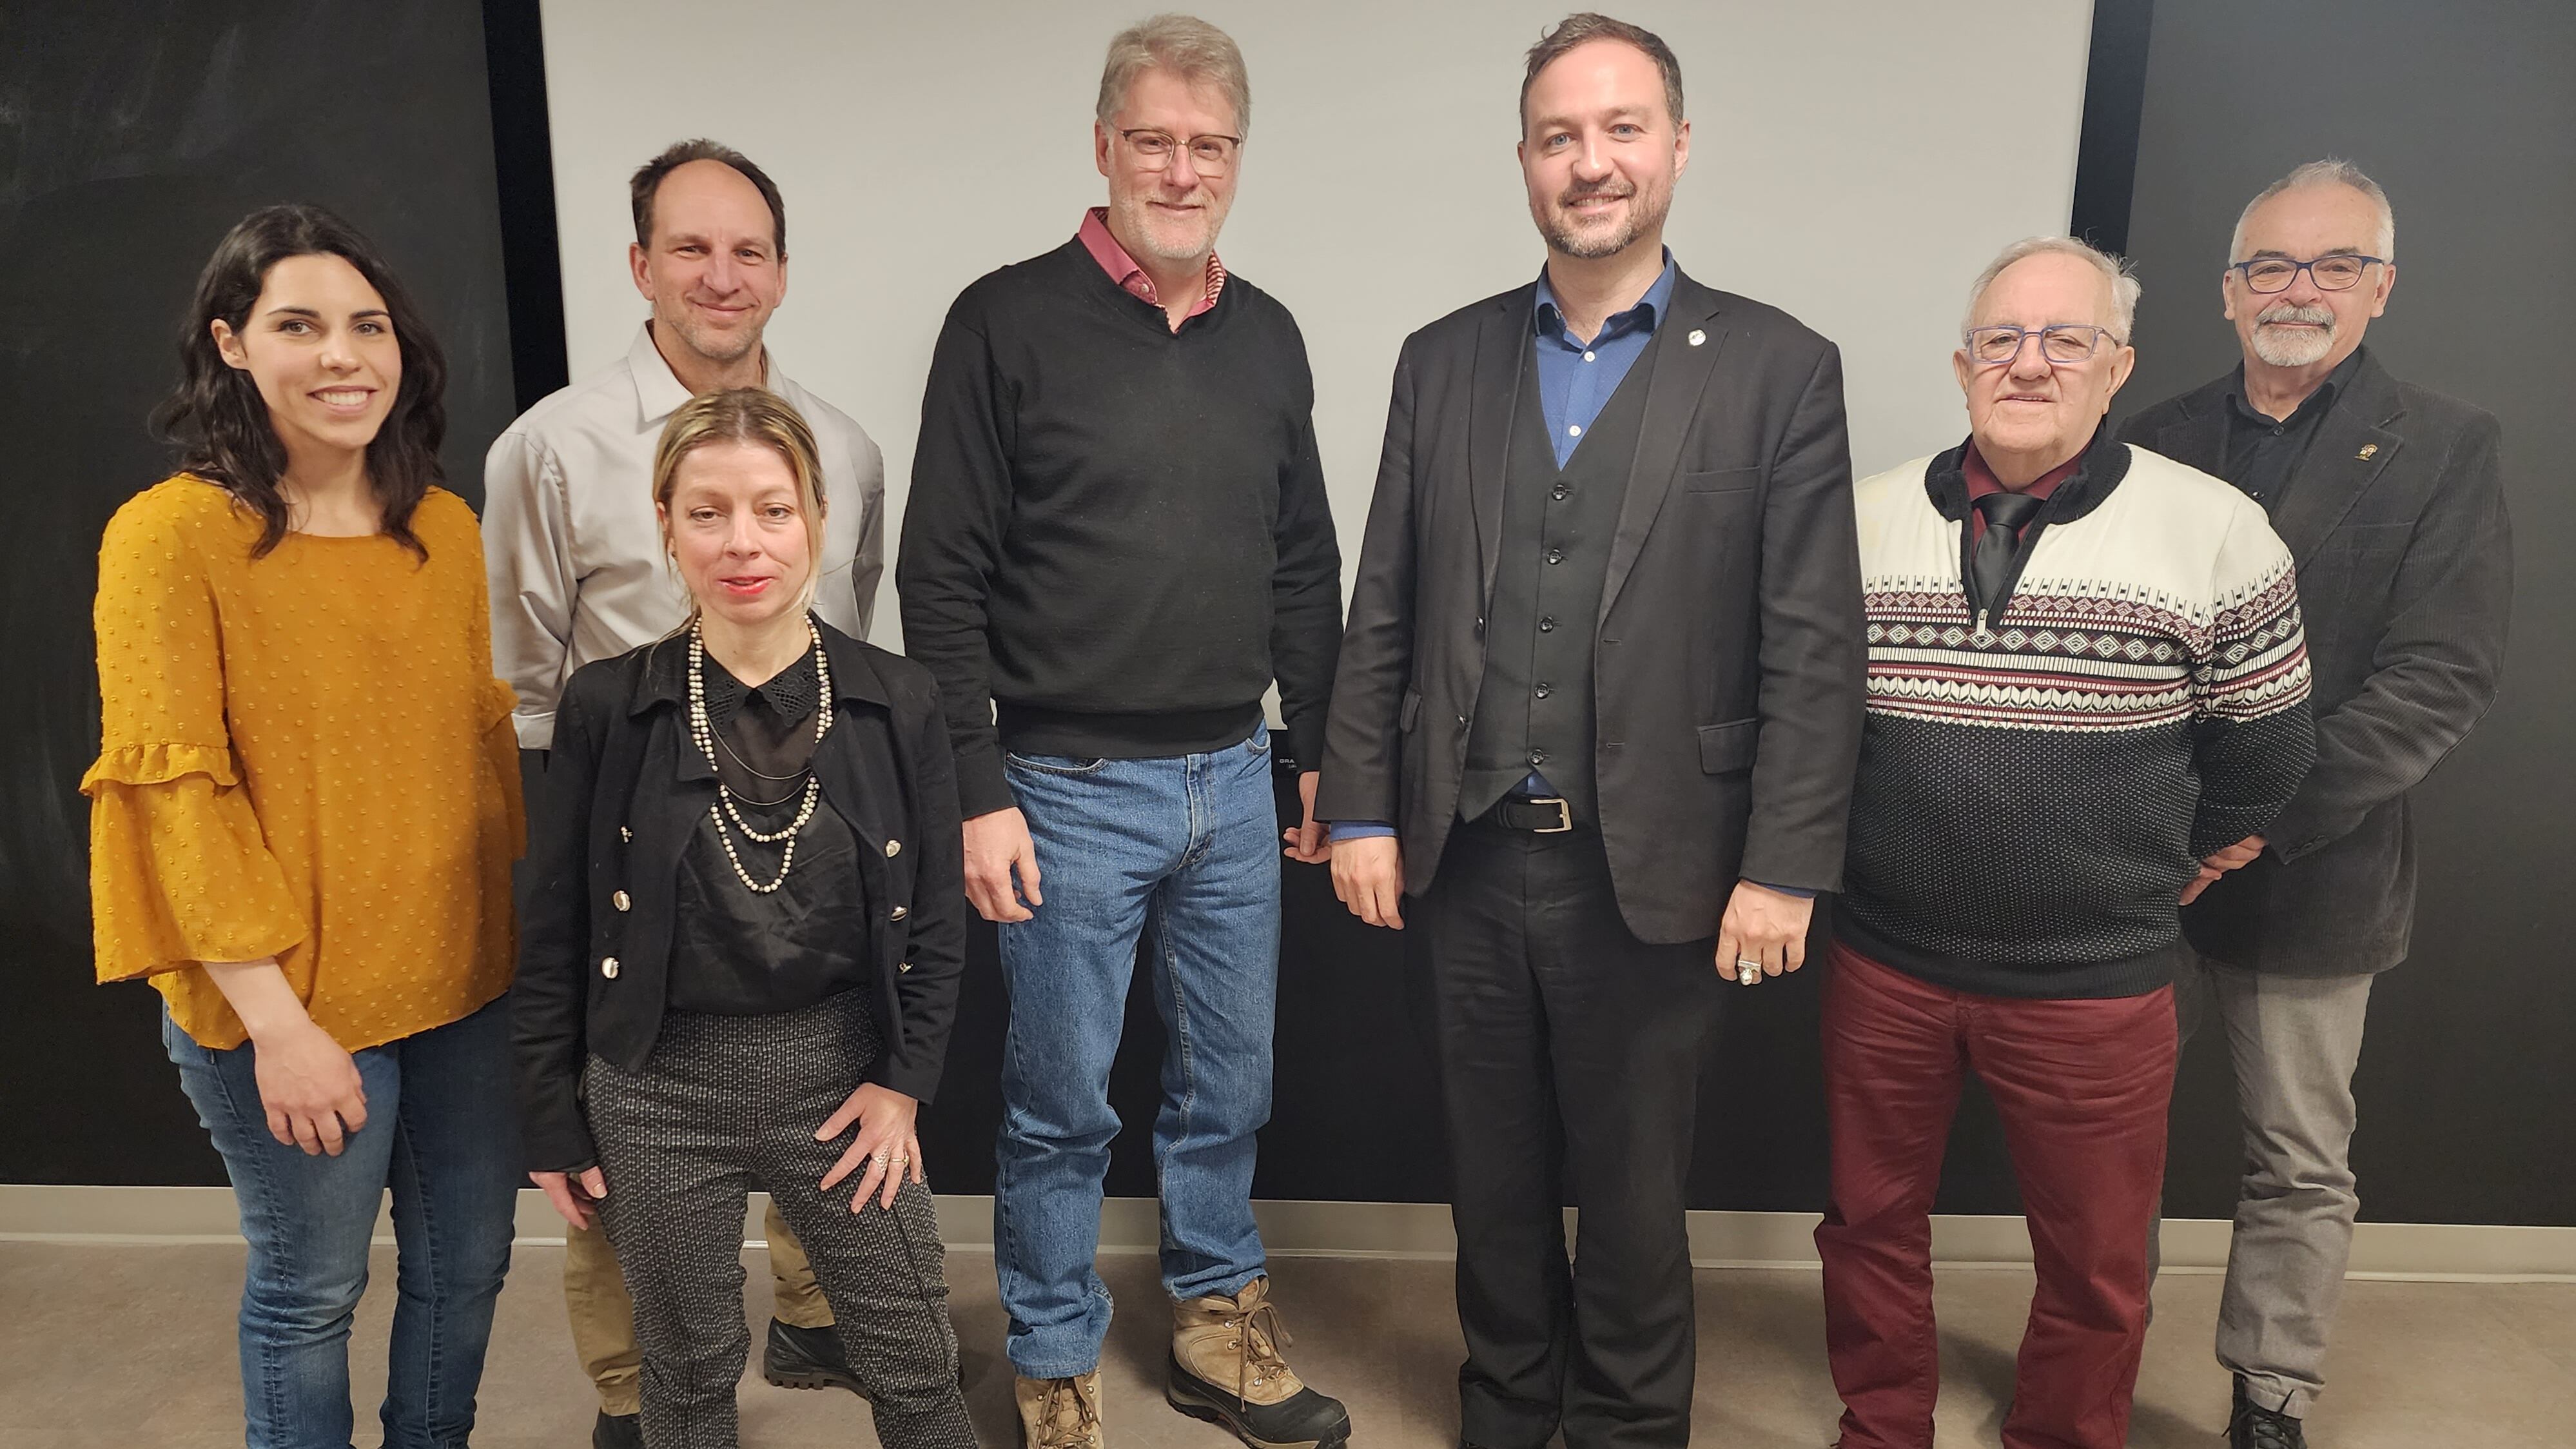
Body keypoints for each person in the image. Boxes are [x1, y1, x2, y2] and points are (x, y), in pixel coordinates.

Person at [1317, 15, 1866, 1446]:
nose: (1592, 161)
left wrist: (1785, 865)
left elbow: (1815, 643)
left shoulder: (1779, 366)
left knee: (1631, 1190)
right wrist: (1361, 806)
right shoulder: (1443, 359)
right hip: (1464, 855)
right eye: (1560, 136)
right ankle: (1506, 1407)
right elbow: (1385, 603)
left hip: (1665, 862)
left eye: (1622, 128)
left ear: (1677, 146)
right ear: (1525, 161)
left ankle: (1627, 1424)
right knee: (1489, 1177)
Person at [895, 15, 1347, 1449]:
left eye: (1210, 146)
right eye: (1153, 140)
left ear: (1238, 159)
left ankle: (1216, 1324)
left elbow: (1303, 562)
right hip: (1061, 785)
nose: (1181, 170)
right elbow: (940, 575)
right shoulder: (1002, 322)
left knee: (1230, 1088)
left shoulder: (1268, 336)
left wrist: (1319, 748)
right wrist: (975, 789)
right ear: (1103, 147)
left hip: (1235, 777)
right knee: (1060, 1104)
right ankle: (1052, 1357)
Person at [1817, 236, 2318, 1449]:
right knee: (1866, 1226)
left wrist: (2165, 860)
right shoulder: (1860, 522)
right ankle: (1881, 1427)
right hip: (1886, 963)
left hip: (2095, 982)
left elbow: (2267, 752)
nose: (2029, 364)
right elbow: (1806, 729)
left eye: (2067, 340)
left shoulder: (2215, 530)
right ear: (1963, 367)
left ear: (2117, 368)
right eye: (2001, 339)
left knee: (2096, 1263)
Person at [84, 202, 524, 1449]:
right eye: (299, 326)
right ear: (231, 344)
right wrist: (278, 1028)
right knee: (312, 1293)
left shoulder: (444, 529)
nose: (343, 356)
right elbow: (175, 795)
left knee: (469, 1270)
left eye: (367, 326)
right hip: (288, 1006)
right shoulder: (170, 536)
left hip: (462, 988)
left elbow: (467, 766)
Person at [482, 137, 886, 1448]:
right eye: (691, 248)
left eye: (748, 250)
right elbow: (525, 680)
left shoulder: (845, 448)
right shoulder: (551, 448)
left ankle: (814, 1313)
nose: (722, 275)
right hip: (634, 866)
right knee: (630, 1148)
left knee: (821, 1102)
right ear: (639, 264)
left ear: (782, 271)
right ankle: (634, 1389)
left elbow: (848, 640)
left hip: (803, 859)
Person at [2120, 160, 2513, 1449]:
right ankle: (2090, 1371)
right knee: (2105, 1143)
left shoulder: (2445, 444)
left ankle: (2271, 1398)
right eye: (2272, 266)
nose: (2300, 289)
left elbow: (2439, 677)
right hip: (2133, 861)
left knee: (2296, 1157)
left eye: (2334, 264)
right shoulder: (2148, 435)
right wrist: (2157, 823)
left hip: (2314, 864)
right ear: (2229, 291)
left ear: (2380, 287)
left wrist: (2252, 820)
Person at [513, 388, 976, 1449]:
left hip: (843, 1078)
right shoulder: (606, 705)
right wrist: (548, 1116)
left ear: (817, 518)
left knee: (915, 1360)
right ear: (666, 526)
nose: (743, 543)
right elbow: (555, 929)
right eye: (707, 512)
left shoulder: (900, 699)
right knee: (685, 1373)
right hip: (654, 1086)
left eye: (773, 509)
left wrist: (904, 1083)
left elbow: (938, 924)